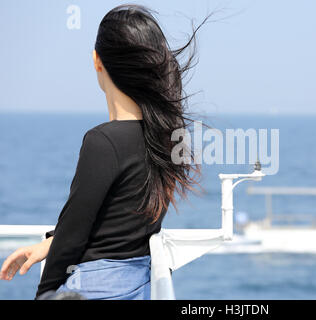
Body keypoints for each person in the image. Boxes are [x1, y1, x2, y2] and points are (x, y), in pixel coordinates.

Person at [0, 4, 201, 300]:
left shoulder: (103, 141)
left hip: (95, 287)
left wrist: (44, 294)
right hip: (138, 284)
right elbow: (117, 223)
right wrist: (51, 243)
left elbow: (73, 235)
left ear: (97, 61)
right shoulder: (171, 137)